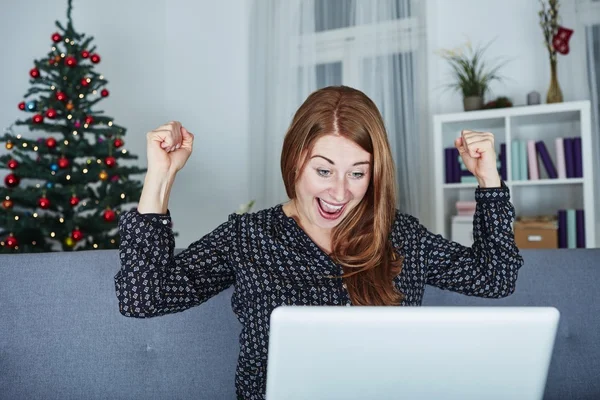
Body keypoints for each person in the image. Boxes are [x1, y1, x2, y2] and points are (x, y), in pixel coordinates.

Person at [115, 86, 523, 400]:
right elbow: (144, 298)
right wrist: (160, 177)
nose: (340, 193)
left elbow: (495, 278)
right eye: (324, 171)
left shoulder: (402, 236)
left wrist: (488, 180)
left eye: (358, 174)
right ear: (295, 161)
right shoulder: (248, 237)